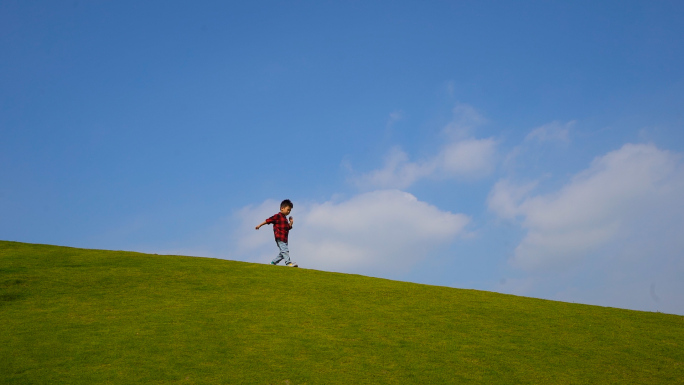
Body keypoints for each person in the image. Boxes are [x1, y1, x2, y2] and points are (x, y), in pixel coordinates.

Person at [255, 199, 297, 267]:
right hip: (280, 237)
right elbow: (268, 220)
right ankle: (288, 263)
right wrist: (259, 225)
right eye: (288, 209)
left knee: (282, 253)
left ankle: (272, 263)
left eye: (290, 210)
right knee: (285, 251)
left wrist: (291, 223)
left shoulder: (285, 219)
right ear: (282, 208)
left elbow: (287, 228)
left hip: (285, 238)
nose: (289, 212)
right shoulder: (277, 216)